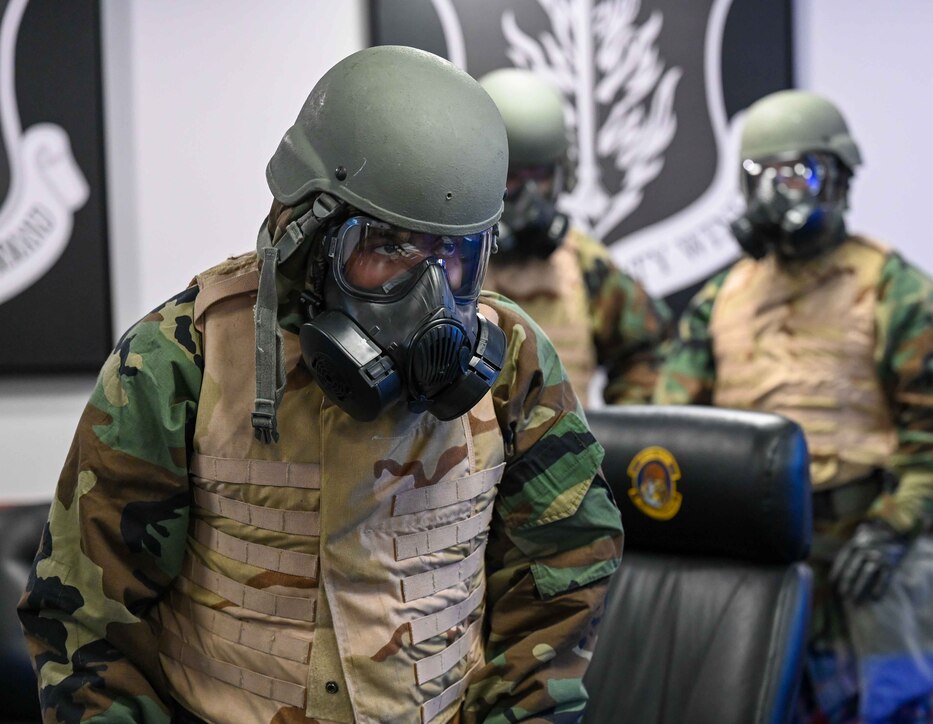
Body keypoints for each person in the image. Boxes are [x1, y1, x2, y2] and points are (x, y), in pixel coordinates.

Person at [18, 46, 623, 724]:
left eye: (453, 256)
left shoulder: (513, 365)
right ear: (309, 235)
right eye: (388, 246)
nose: (429, 301)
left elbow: (566, 567)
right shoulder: (180, 360)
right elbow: (85, 615)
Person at [654, 89, 933, 722]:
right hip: (751, 561)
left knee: (869, 708)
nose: (783, 194)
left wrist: (891, 530)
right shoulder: (720, 299)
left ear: (839, 180)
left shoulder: (895, 289)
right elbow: (677, 432)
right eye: (765, 177)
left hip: (859, 561)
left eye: (801, 174)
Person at [478, 68, 671, 406]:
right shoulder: (447, 257)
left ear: (562, 176)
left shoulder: (584, 262)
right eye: (511, 178)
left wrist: (619, 433)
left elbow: (648, 351)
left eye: (539, 177)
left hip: (560, 457)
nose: (528, 196)